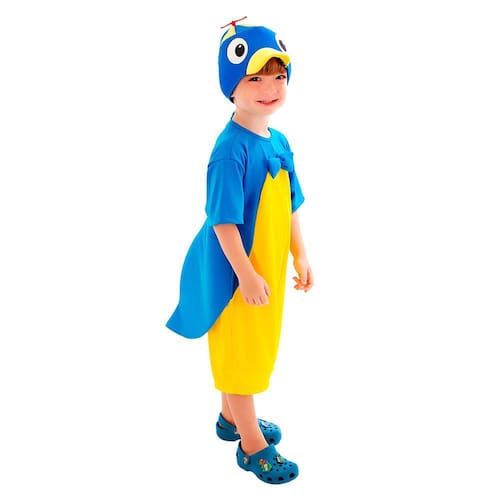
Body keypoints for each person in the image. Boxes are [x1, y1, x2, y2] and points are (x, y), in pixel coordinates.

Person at [166, 19, 314, 485]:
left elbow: (290, 204)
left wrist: (300, 254)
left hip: (265, 266)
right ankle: (252, 446)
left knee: (253, 346)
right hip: (233, 272)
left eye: (279, 77)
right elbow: (223, 222)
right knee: (242, 353)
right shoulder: (230, 151)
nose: (271, 89)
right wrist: (246, 275)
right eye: (255, 79)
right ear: (232, 87)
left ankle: (231, 418)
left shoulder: (279, 142)